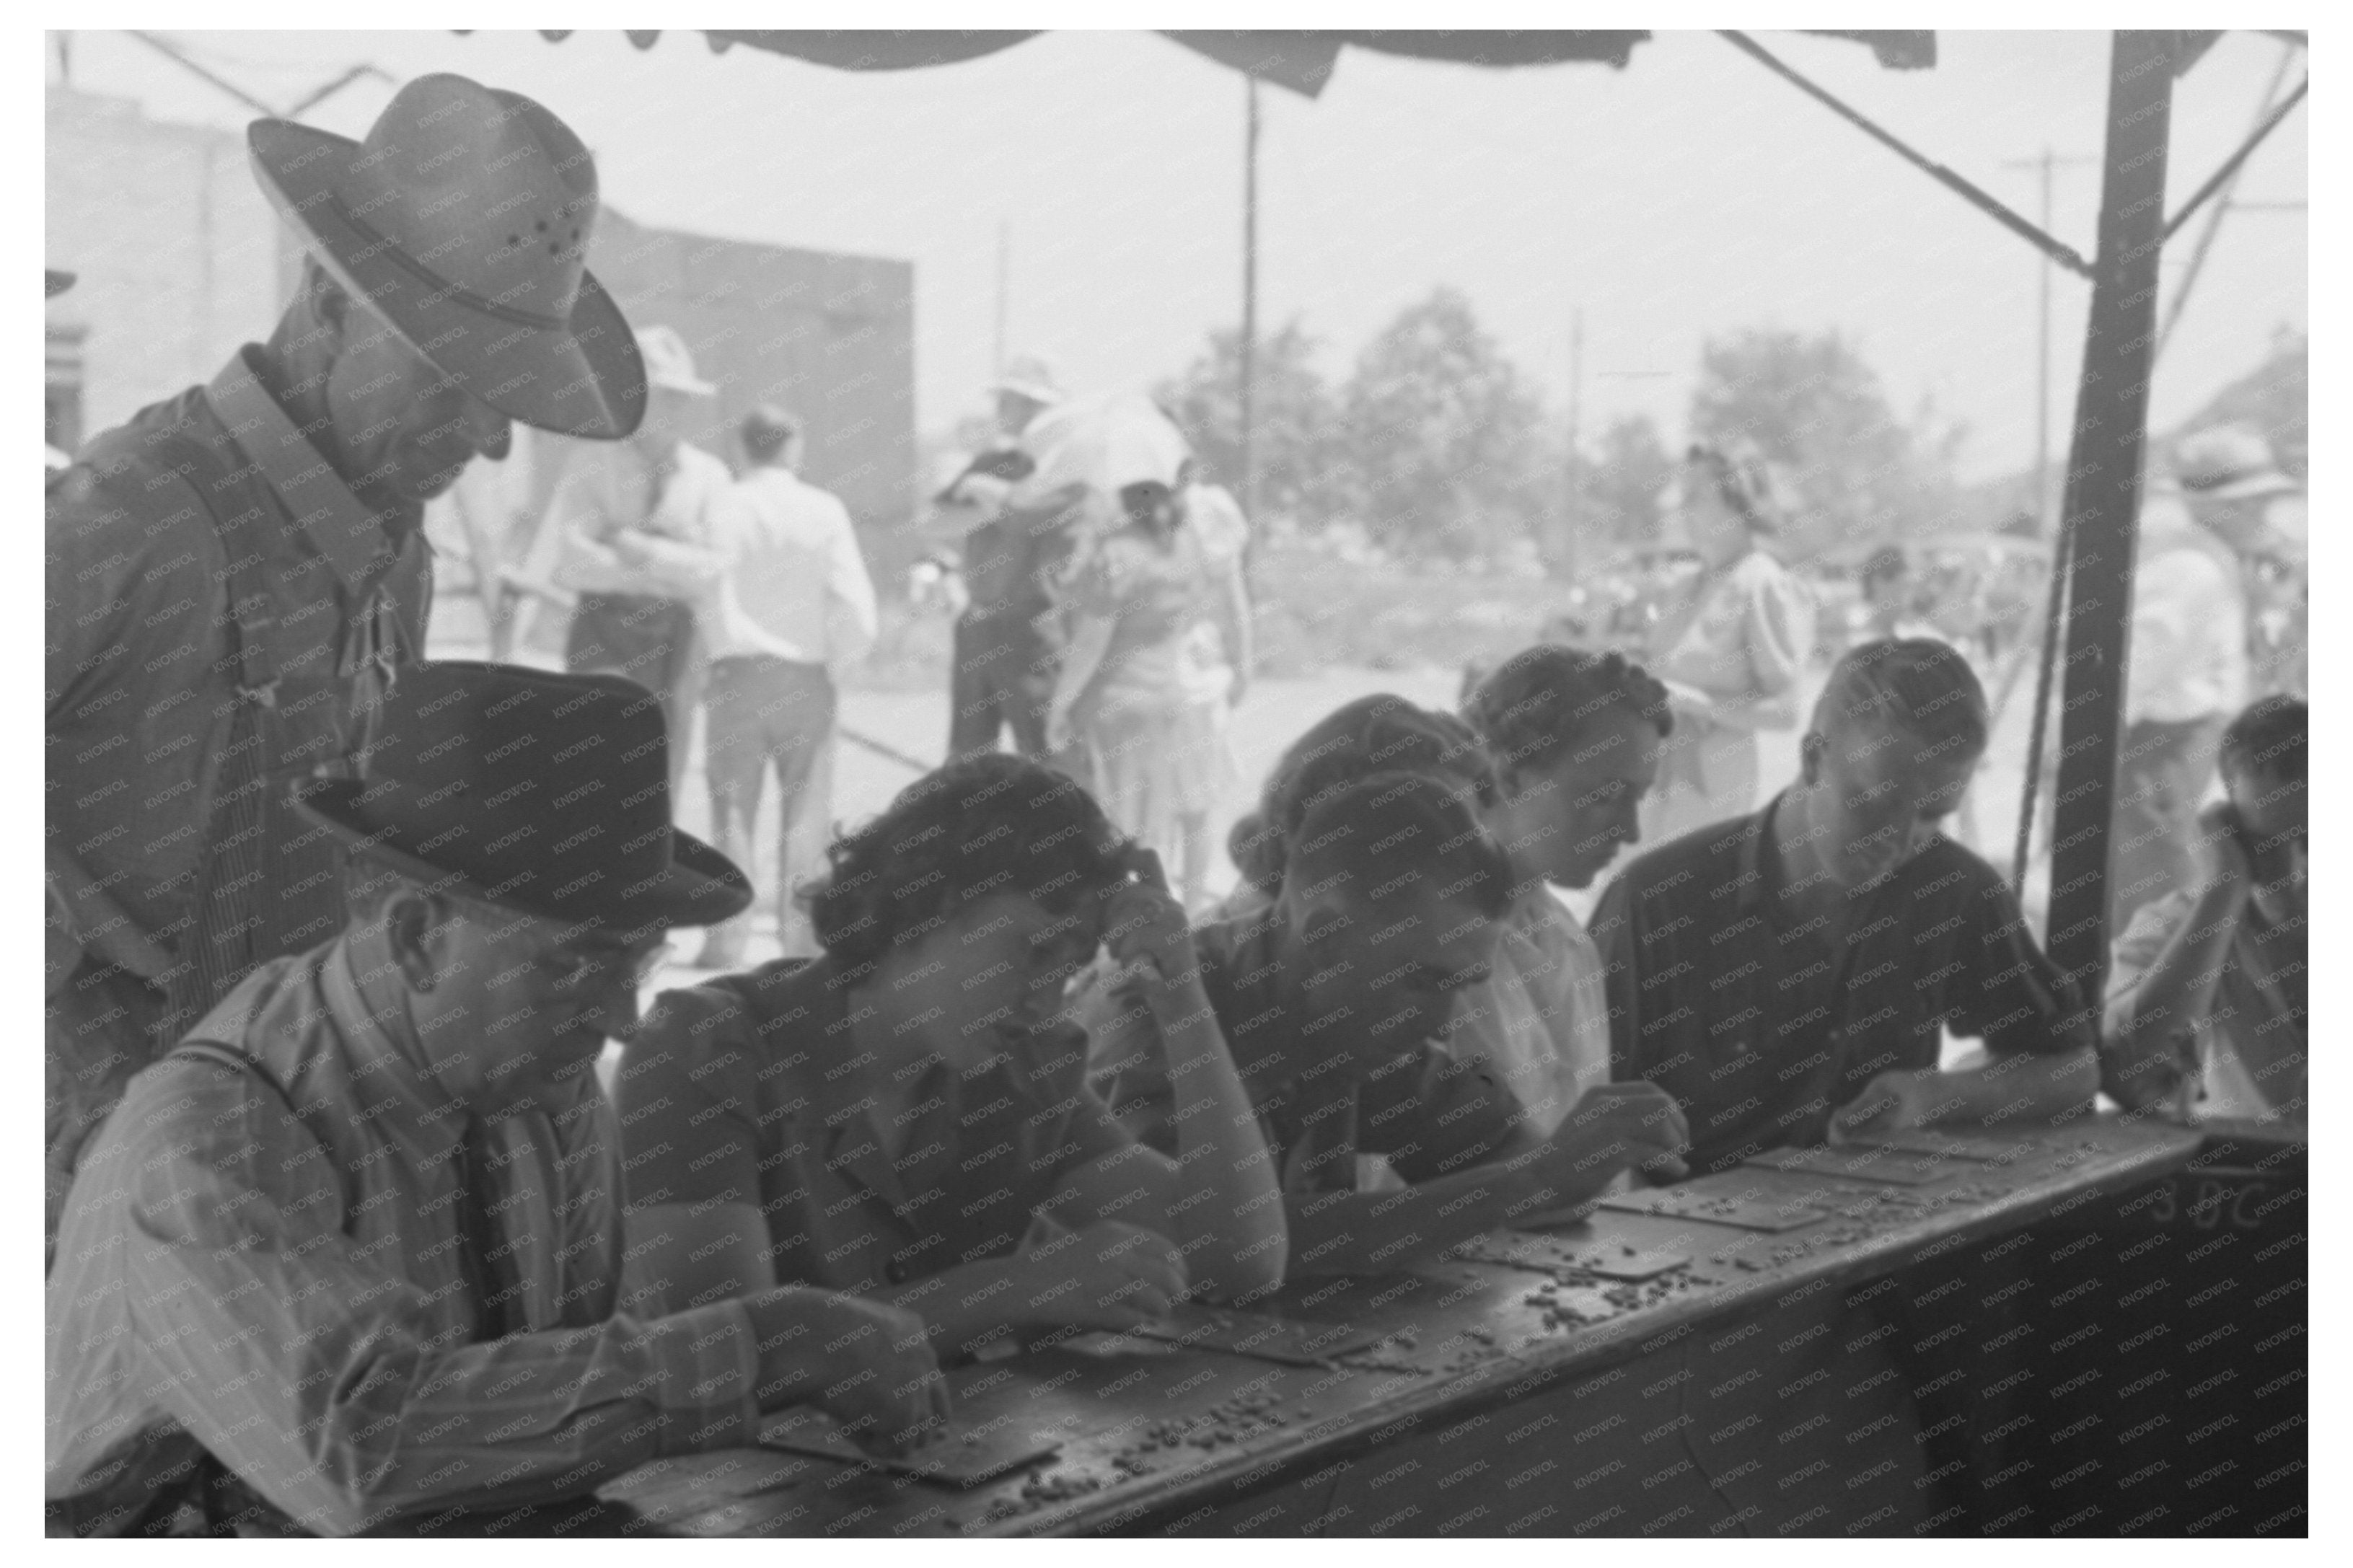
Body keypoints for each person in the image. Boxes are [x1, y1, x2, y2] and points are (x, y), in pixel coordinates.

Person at [46, 662, 949, 1538]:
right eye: (578, 963)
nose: (623, 1019)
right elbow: (367, 1450)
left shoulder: (536, 1088)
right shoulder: (205, 1143)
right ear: (415, 936)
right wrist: (762, 1343)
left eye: (636, 961)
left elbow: (555, 1393)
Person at [43, 73, 649, 1261]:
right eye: (456, 383)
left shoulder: (390, 546)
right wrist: (78, 1060)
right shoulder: (127, 516)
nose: (487, 440)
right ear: (329, 303)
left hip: (269, 1150)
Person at [610, 754, 1286, 1360]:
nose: (1047, 1005)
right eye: (1036, 951)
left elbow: (1243, 1260)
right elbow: (721, 1352)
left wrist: (1182, 999)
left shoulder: (1024, 1067)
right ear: (927, 902)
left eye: (1072, 968)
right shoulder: (705, 1049)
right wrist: (1008, 1290)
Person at [1086, 770, 1692, 1278]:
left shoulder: (1386, 1023)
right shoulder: (1160, 1006)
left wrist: (1576, 1161)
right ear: (1325, 940)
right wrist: (1527, 1182)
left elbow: (1510, 1159)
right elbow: (1213, 1240)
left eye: (1464, 984)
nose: (1444, 1020)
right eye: (1425, 982)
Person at [1594, 638, 2099, 1179]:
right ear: (1813, 758)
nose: (1904, 839)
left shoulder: (1951, 890)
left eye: (1934, 813)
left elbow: (2073, 1070)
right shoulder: (1657, 904)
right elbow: (1576, 1122)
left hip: (1874, 1240)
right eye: (1878, 804)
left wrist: (1935, 1095)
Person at [612, 404, 879, 969]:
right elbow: (854, 603)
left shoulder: (725, 504)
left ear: (741, 448)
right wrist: (841, 667)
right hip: (807, 677)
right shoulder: (824, 509)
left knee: (731, 808)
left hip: (736, 674)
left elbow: (702, 576)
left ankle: (726, 937)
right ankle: (802, 940)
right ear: (794, 446)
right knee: (806, 809)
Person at [1458, 646, 1671, 1135]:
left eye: (1637, 798)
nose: (1631, 830)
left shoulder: (1571, 946)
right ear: (1506, 774)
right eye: (1604, 795)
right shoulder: (1431, 959)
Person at [1047, 420, 1252, 909]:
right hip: (1168, 698)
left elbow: (1091, 643)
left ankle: (1124, 922)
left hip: (1117, 702)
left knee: (1120, 823)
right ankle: (1165, 918)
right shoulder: (1184, 548)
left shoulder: (1117, 555)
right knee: (1163, 818)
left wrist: (1060, 703)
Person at [2104, 695, 2306, 1124]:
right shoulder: (2179, 928)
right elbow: (2137, 1080)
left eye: (2311, 842)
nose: (2295, 872)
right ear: (2231, 836)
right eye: (2267, 847)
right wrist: (2224, 889)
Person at [550, 323, 731, 798]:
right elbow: (572, 561)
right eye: (662, 395)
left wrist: (639, 549)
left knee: (661, 775)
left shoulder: (709, 477)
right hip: (602, 633)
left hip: (676, 641)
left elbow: (714, 571)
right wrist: (671, 564)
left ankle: (652, 869)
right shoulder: (592, 460)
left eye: (681, 397)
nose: (675, 407)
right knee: (592, 765)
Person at [1640, 441, 1813, 844]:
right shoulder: (1684, 586)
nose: (1684, 509)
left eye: (1696, 497)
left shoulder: (1762, 583)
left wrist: (1693, 702)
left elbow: (1784, 713)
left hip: (1711, 792)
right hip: (1653, 782)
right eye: (1682, 497)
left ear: (1739, 503)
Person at [2113, 459, 2252, 925]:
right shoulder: (2190, 568)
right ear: (2217, 507)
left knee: (2170, 864)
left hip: (2185, 740)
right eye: (2249, 502)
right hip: (2163, 743)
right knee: (2158, 872)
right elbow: (2139, 664)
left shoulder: (2209, 560)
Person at [946, 351, 1088, 761]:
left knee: (1043, 755)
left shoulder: (1069, 471)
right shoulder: (992, 462)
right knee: (967, 762)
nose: (1004, 410)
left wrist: (988, 494)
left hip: (1032, 627)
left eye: (1015, 400)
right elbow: (939, 520)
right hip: (979, 621)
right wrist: (987, 497)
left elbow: (1026, 515)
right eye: (1006, 400)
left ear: (1043, 409)